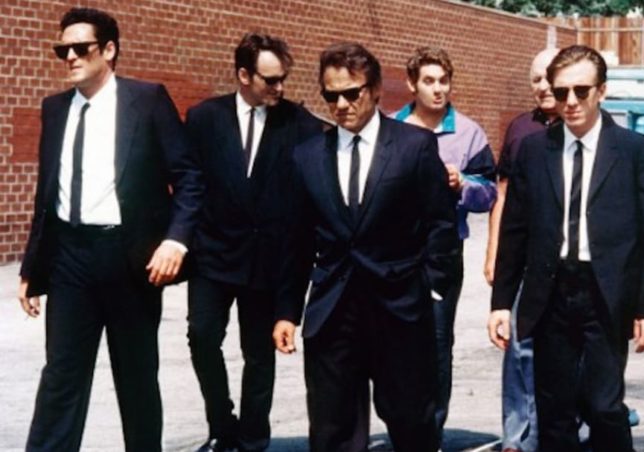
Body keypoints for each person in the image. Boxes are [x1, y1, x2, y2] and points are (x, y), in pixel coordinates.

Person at [17, 7, 202, 451]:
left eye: (81, 48)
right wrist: (32, 267)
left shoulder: (147, 100)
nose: (70, 57)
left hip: (129, 259)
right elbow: (48, 194)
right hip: (70, 260)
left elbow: (189, 177)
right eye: (63, 50)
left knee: (137, 378)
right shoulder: (55, 109)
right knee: (61, 376)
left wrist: (175, 241)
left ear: (109, 50)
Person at [272, 42, 458, 452]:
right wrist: (287, 311)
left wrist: (430, 288)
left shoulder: (413, 146)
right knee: (332, 428)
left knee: (412, 423)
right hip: (333, 312)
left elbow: (441, 226)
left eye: (351, 93)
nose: (341, 105)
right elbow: (295, 241)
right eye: (331, 95)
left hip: (400, 307)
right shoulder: (307, 156)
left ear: (374, 90)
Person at [488, 45, 644, 452]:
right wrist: (501, 302)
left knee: (603, 405)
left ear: (601, 91)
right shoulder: (534, 151)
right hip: (550, 293)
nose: (570, 101)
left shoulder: (634, 151)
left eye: (581, 91)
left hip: (605, 293)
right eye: (561, 92)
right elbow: (515, 231)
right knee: (554, 410)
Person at [184, 33, 323, 452]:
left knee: (259, 354)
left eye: (283, 79)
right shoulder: (204, 118)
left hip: (268, 261)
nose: (279, 87)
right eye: (270, 80)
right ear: (244, 75)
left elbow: (305, 213)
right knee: (202, 337)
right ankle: (221, 425)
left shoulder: (302, 127)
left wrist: (290, 302)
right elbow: (191, 185)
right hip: (213, 256)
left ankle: (253, 438)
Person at [392, 46, 496, 441]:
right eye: (429, 81)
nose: (438, 89)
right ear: (412, 84)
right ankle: (403, 430)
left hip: (443, 253)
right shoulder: (390, 126)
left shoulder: (469, 133)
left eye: (444, 81)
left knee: (436, 342)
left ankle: (430, 434)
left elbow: (489, 193)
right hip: (393, 254)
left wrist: (462, 184)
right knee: (395, 344)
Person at [484, 47, 560, 452]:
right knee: (518, 346)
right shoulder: (520, 129)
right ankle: (518, 436)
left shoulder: (583, 125)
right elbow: (503, 193)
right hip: (525, 258)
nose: (543, 86)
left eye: (550, 77)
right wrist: (494, 252)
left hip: (566, 261)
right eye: (536, 79)